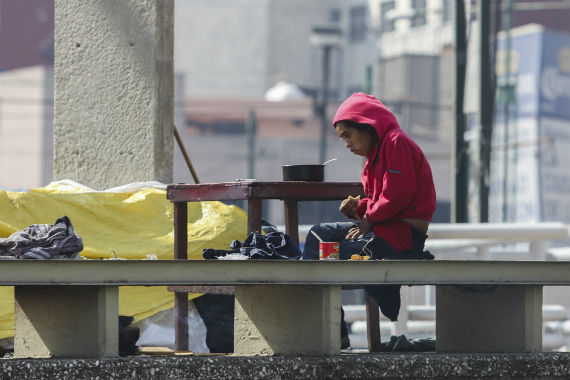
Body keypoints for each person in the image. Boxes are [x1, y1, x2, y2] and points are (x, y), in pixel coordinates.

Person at [301, 92, 436, 349]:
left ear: (368, 126)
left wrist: (368, 219)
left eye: (348, 136)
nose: (347, 144)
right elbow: (379, 198)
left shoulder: (397, 143)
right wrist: (358, 207)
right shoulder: (374, 156)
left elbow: (397, 197)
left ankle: (328, 333)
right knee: (319, 234)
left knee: (323, 258)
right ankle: (333, 331)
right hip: (381, 229)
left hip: (400, 238)